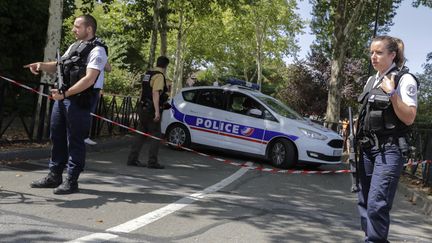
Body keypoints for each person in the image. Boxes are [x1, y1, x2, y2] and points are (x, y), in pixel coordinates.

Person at [24, 14, 108, 194]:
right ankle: (54, 175)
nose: (73, 29)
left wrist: (66, 94)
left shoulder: (98, 51)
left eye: (77, 26)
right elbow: (59, 65)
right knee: (57, 135)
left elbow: (89, 79)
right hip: (63, 97)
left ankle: (72, 180)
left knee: (75, 139)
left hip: (79, 99)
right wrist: (41, 65)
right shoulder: (74, 46)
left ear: (89, 29)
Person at [355, 36, 418, 242]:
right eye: (371, 52)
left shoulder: (404, 79)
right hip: (366, 149)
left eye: (379, 52)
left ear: (392, 55)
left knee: (376, 204)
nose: (373, 56)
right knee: (364, 202)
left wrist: (392, 94)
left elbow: (409, 117)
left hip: (389, 151)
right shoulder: (371, 80)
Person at [126, 56, 170, 169]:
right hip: (151, 109)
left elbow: (143, 90)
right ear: (166, 66)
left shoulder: (148, 74)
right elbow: (155, 93)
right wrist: (157, 111)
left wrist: (140, 104)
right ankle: (152, 162)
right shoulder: (159, 76)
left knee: (140, 134)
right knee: (156, 135)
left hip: (142, 106)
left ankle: (132, 159)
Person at [84, 61, 111, 145]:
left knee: (89, 113)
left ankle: (85, 135)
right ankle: (83, 136)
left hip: (96, 87)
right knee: (86, 112)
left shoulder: (101, 55)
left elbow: (109, 69)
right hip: (91, 87)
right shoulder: (95, 53)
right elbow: (108, 68)